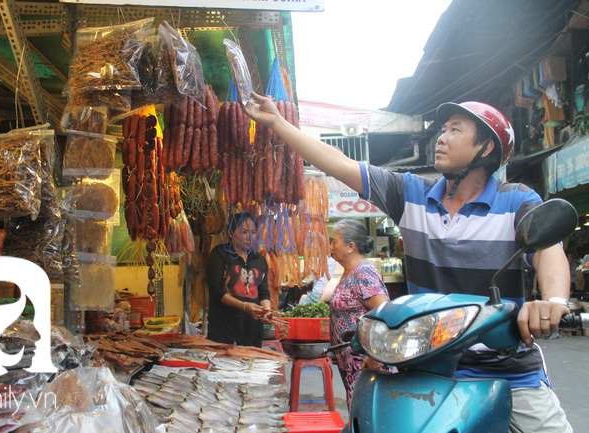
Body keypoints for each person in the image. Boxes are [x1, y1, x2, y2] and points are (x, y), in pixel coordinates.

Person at [244, 95, 572, 432]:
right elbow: (337, 162)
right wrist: (278, 124)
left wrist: (553, 302)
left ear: (486, 148)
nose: (441, 137)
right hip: (425, 367)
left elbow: (549, 249)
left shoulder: (517, 199)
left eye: (455, 130)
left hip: (506, 370)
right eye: (442, 130)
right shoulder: (411, 193)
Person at [327, 219, 389, 407]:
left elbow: (387, 313)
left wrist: (375, 356)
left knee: (367, 415)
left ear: (350, 246)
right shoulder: (349, 272)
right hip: (351, 364)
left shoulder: (363, 272)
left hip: (365, 364)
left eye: (334, 241)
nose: (331, 246)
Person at [205, 213, 281, 347]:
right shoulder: (220, 254)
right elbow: (215, 290)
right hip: (223, 331)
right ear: (230, 233)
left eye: (252, 232)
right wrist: (244, 306)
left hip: (251, 333)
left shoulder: (259, 260)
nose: (249, 237)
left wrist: (267, 311)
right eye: (244, 232)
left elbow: (263, 292)